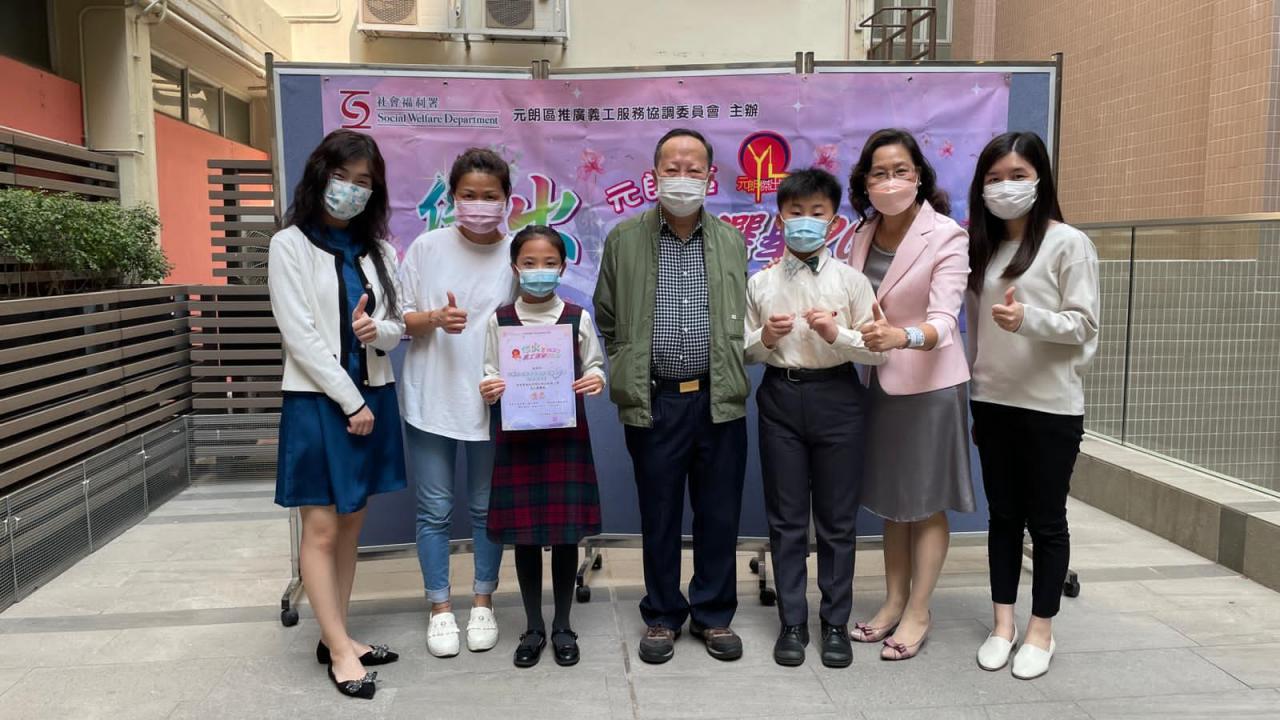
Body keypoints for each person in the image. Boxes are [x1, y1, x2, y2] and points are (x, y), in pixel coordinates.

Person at [593, 128, 750, 665]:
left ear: (710, 177)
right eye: (672, 168)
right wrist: (630, 365)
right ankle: (662, 614)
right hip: (655, 400)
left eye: (693, 169)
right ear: (654, 175)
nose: (682, 178)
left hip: (718, 397)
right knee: (658, 513)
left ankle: (713, 614)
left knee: (719, 512)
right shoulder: (624, 239)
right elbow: (607, 316)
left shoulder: (730, 240)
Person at [269, 129, 406, 700]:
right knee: (322, 527)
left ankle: (338, 635)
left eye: (362, 181)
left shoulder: (382, 252)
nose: (350, 189)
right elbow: (299, 334)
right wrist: (350, 400)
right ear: (319, 176)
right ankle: (339, 652)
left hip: (374, 395)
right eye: (341, 176)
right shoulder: (289, 245)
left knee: (352, 522)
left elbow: (400, 324)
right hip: (320, 402)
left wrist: (378, 332)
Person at [966, 132, 1099, 680]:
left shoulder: (1069, 243)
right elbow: (975, 333)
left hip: (1050, 407)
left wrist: (1029, 320)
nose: (1006, 188)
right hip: (992, 402)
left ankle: (1041, 628)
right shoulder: (982, 247)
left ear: (1040, 178)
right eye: (994, 178)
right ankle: (1003, 624)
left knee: (1046, 521)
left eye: (1017, 176)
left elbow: (1085, 325)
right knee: (1002, 517)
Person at [745, 169, 885, 668]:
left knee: (837, 521)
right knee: (785, 520)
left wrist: (837, 336)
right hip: (780, 397)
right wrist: (764, 337)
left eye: (817, 212)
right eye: (796, 212)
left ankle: (834, 624)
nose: (805, 221)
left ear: (833, 219)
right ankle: (792, 623)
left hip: (839, 397)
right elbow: (743, 351)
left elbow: (877, 352)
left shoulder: (851, 281)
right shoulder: (760, 281)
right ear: (780, 217)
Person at [845, 128, 976, 661]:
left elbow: (945, 321)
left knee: (925, 502)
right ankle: (893, 600)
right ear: (865, 182)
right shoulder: (861, 233)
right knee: (893, 502)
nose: (890, 181)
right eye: (879, 172)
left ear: (918, 175)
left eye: (900, 170)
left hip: (930, 385)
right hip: (876, 382)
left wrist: (903, 337)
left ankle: (919, 609)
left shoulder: (946, 235)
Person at [399, 148, 516, 658]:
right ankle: (440, 606)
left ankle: (484, 600)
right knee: (434, 509)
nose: (479, 204)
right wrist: (433, 319)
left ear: (507, 200)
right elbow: (399, 319)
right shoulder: (427, 247)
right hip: (432, 396)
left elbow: (533, 324)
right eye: (469, 195)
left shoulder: (516, 254)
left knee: (488, 508)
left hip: (493, 401)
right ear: (452, 198)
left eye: (490, 196)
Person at [478, 225, 605, 668]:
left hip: (565, 437)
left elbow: (595, 367)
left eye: (549, 263)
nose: (539, 271)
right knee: (526, 537)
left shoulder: (576, 317)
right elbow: (489, 372)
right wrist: (489, 388)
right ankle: (533, 626)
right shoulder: (499, 319)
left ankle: (563, 625)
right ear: (515, 267)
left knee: (565, 534)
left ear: (563, 267)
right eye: (529, 263)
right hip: (519, 438)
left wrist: (595, 379)